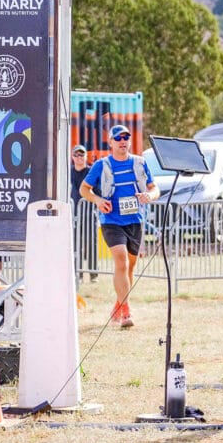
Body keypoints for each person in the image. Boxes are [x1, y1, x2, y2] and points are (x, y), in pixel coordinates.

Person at [79, 124, 159, 329]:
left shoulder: (140, 163)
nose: (123, 141)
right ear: (111, 142)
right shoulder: (101, 165)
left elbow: (154, 188)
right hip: (111, 221)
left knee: (130, 267)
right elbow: (84, 189)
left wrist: (149, 196)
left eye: (126, 137)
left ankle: (118, 304)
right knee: (121, 261)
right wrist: (97, 200)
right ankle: (126, 312)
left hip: (135, 220)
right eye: (118, 138)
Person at [70, 144, 97, 283]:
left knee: (91, 243)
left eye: (82, 155)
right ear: (72, 157)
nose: (79, 158)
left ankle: (93, 274)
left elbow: (97, 190)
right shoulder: (68, 173)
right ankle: (77, 274)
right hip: (73, 215)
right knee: (74, 245)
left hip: (89, 212)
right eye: (76, 155)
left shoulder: (91, 171)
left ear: (86, 156)